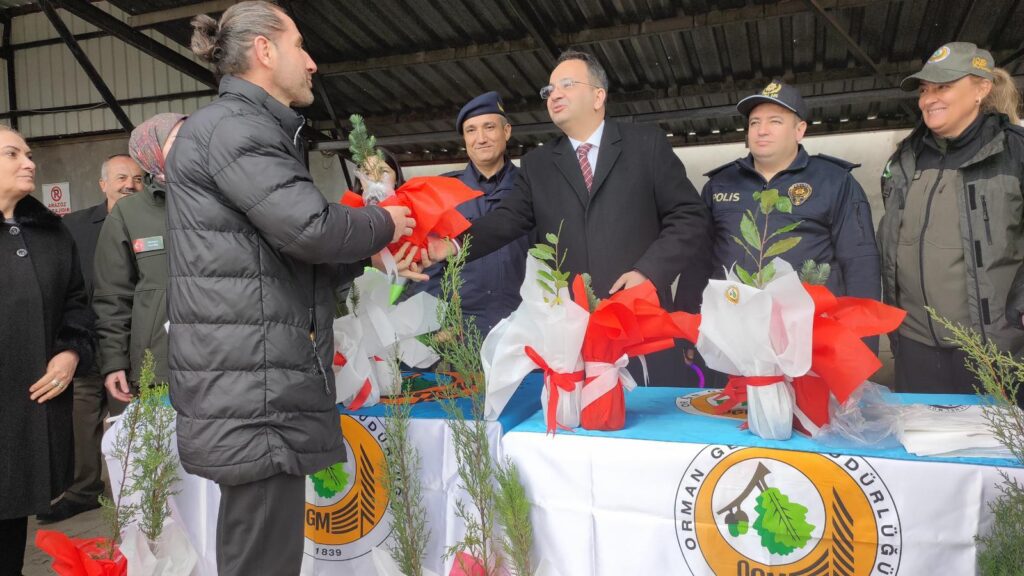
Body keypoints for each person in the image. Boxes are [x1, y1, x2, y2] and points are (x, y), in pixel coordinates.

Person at [165, 2, 415, 574]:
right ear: (264, 51)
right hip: (255, 388)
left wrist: (369, 254)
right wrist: (385, 222)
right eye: (300, 45)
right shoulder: (238, 128)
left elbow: (285, 257)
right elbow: (309, 227)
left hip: (257, 378)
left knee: (264, 550)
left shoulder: (241, 128)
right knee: (262, 558)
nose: (312, 62)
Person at [429, 50, 712, 386]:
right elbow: (505, 220)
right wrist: (453, 245)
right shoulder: (539, 164)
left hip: (639, 320)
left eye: (566, 84)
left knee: (646, 426)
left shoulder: (645, 144)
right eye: (549, 90)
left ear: (598, 95)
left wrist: (648, 273)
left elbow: (689, 216)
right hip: (572, 334)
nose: (554, 95)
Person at [877, 42, 1024, 394]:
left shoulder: (1014, 152)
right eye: (925, 90)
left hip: (993, 346)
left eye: (943, 87)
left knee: (992, 446)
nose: (929, 99)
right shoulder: (904, 159)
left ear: (981, 89)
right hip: (913, 345)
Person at [0, 124, 93, 574]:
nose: (29, 162)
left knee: (12, 512)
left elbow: (76, 302)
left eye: (29, 153)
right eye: (12, 154)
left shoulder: (50, 233)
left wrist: (70, 351)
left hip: (24, 412)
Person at [38, 153, 145, 524]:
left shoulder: (151, 222)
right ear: (103, 184)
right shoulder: (75, 225)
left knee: (128, 420)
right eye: (120, 177)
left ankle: (133, 493)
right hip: (87, 340)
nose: (129, 184)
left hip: (133, 342)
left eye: (137, 178)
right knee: (82, 417)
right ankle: (83, 489)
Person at [703, 80, 880, 300]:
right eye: (754, 122)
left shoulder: (834, 181)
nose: (762, 131)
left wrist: (862, 333)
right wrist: (687, 331)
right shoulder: (720, 184)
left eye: (775, 122)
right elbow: (698, 262)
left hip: (812, 326)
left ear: (799, 130)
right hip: (733, 323)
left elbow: (860, 261)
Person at [404, 91, 528, 336]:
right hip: (458, 333)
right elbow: (426, 268)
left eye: (489, 127)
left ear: (507, 131)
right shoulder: (442, 192)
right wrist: (434, 326)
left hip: (521, 330)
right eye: (471, 130)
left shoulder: (530, 187)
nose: (480, 138)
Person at [92, 113, 185, 405]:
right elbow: (113, 295)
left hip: (225, 364)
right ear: (152, 149)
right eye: (178, 140)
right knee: (163, 450)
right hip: (160, 367)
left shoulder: (219, 199)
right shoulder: (128, 213)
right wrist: (114, 361)